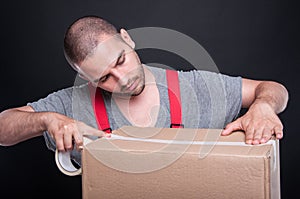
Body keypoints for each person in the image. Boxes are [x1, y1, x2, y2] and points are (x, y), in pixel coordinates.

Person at [0, 16, 289, 165]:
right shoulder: (70, 105)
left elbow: (274, 89)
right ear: (83, 77)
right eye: (104, 78)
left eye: (121, 60)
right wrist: (46, 119)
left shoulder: (197, 87)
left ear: (127, 39)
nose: (122, 79)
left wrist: (263, 106)